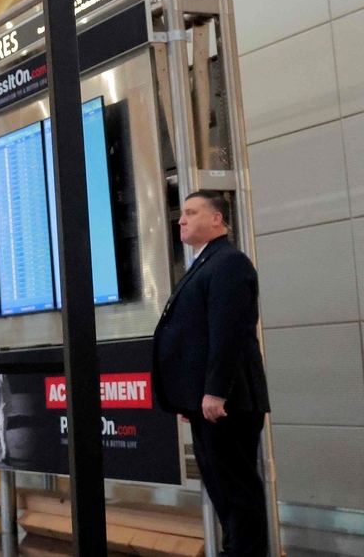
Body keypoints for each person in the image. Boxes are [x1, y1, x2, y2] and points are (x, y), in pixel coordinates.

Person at [153, 191, 270, 557]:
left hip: (229, 401)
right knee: (223, 492)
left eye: (191, 212)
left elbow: (228, 332)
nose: (181, 219)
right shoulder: (206, 262)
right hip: (210, 402)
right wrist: (192, 396)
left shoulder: (229, 263)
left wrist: (215, 391)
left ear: (217, 218)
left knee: (236, 492)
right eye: (182, 213)